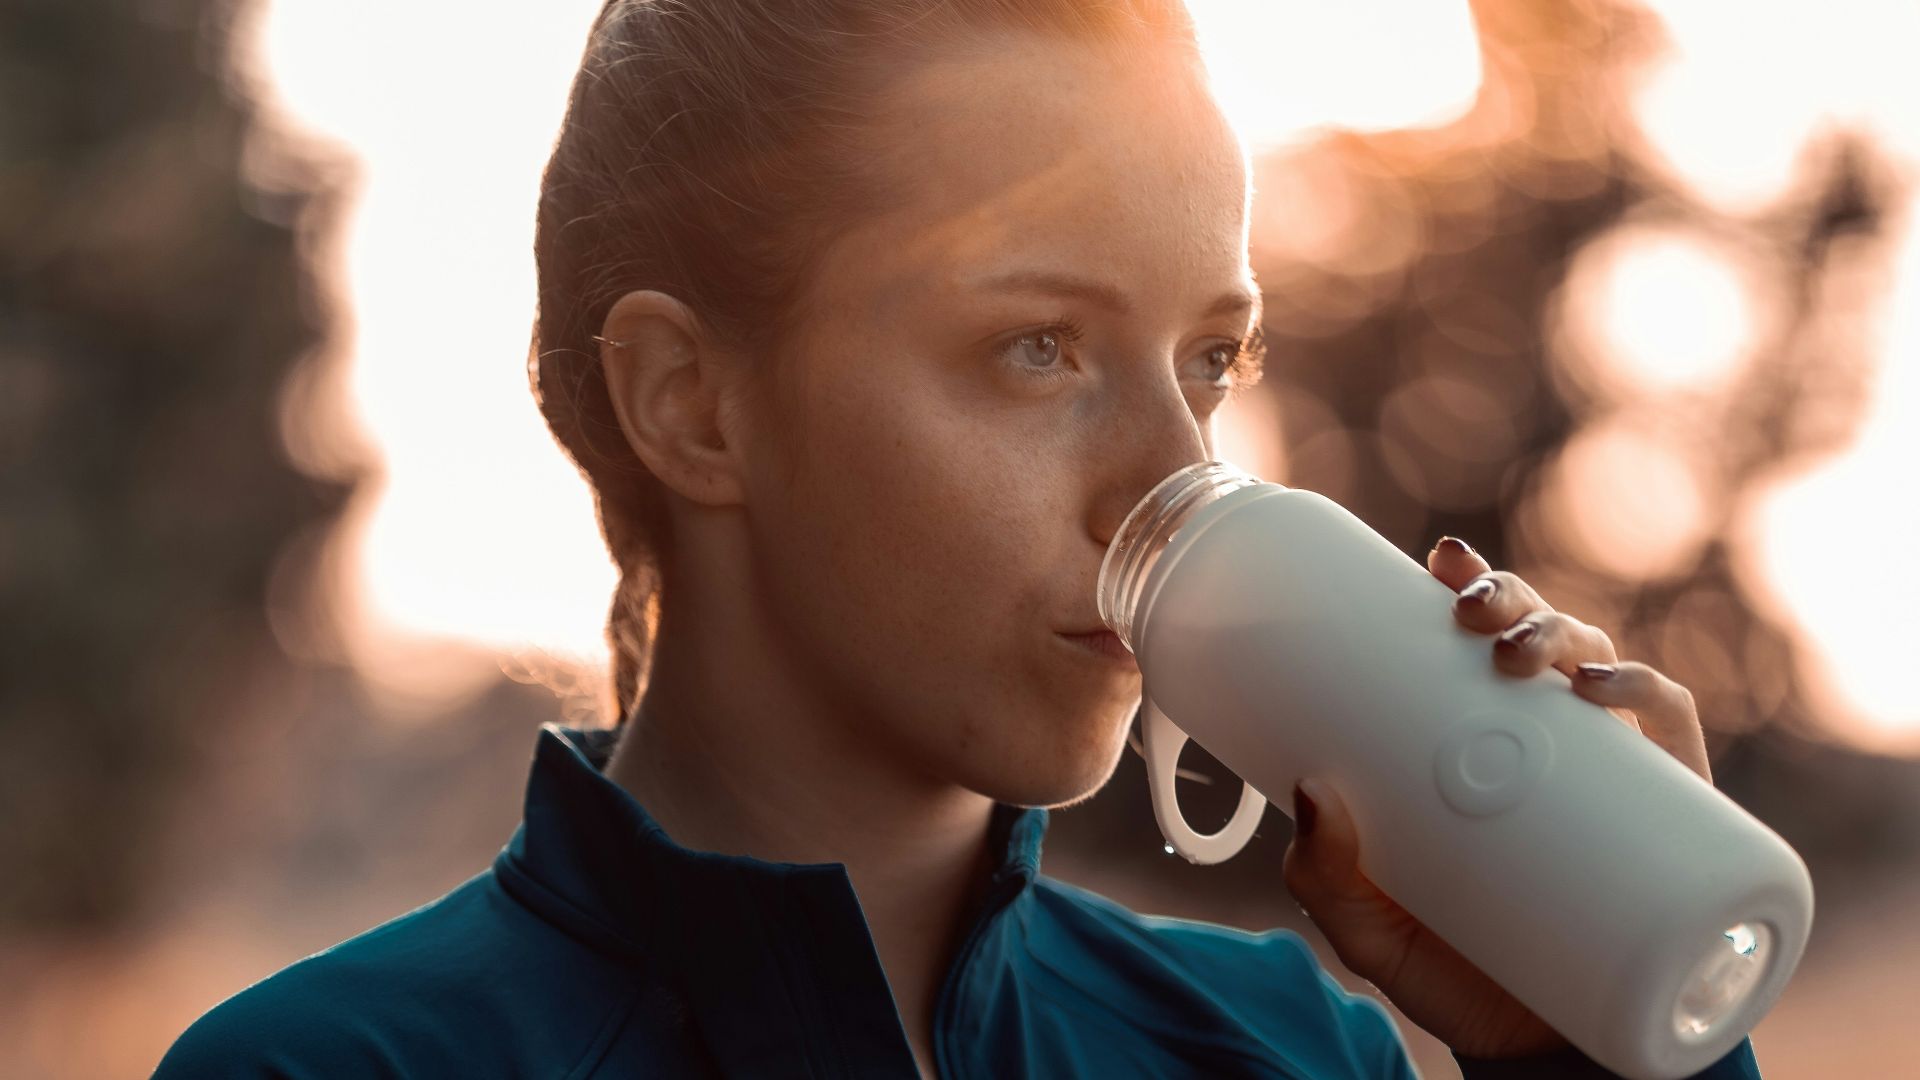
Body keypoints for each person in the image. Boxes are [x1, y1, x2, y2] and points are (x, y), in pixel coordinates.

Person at [155, 0, 1767, 1076]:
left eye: (1211, 360)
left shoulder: (1283, 1050)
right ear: (691, 403)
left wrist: (1596, 1045)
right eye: (1039, 348)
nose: (1170, 471)